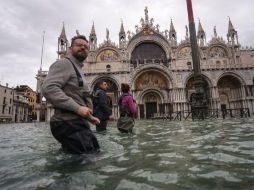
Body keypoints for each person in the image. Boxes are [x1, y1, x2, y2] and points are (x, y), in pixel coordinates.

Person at [42, 35, 100, 154]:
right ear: (69, 48)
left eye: (86, 46)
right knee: (87, 162)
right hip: (68, 123)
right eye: (79, 45)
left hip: (75, 123)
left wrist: (90, 117)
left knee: (92, 154)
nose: (83, 48)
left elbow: (78, 97)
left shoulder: (77, 68)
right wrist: (78, 109)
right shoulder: (64, 63)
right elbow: (48, 88)